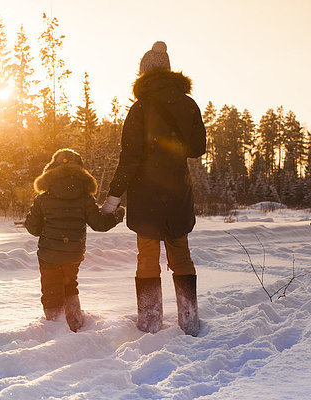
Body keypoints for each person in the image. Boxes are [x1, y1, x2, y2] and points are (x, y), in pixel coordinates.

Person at [101, 41, 206, 336]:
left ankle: (149, 322)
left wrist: (113, 197)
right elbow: (198, 148)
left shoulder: (140, 108)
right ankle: (189, 320)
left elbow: (130, 158)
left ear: (143, 73)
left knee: (147, 256)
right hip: (177, 190)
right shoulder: (189, 104)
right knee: (181, 252)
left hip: (146, 192)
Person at [25, 148, 125, 332]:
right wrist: (118, 215)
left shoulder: (43, 199)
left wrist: (37, 218)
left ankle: (54, 328)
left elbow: (33, 229)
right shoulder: (85, 198)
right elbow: (99, 224)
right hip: (73, 253)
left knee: (50, 289)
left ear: (51, 168)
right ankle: (75, 324)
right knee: (70, 285)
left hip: (49, 254)